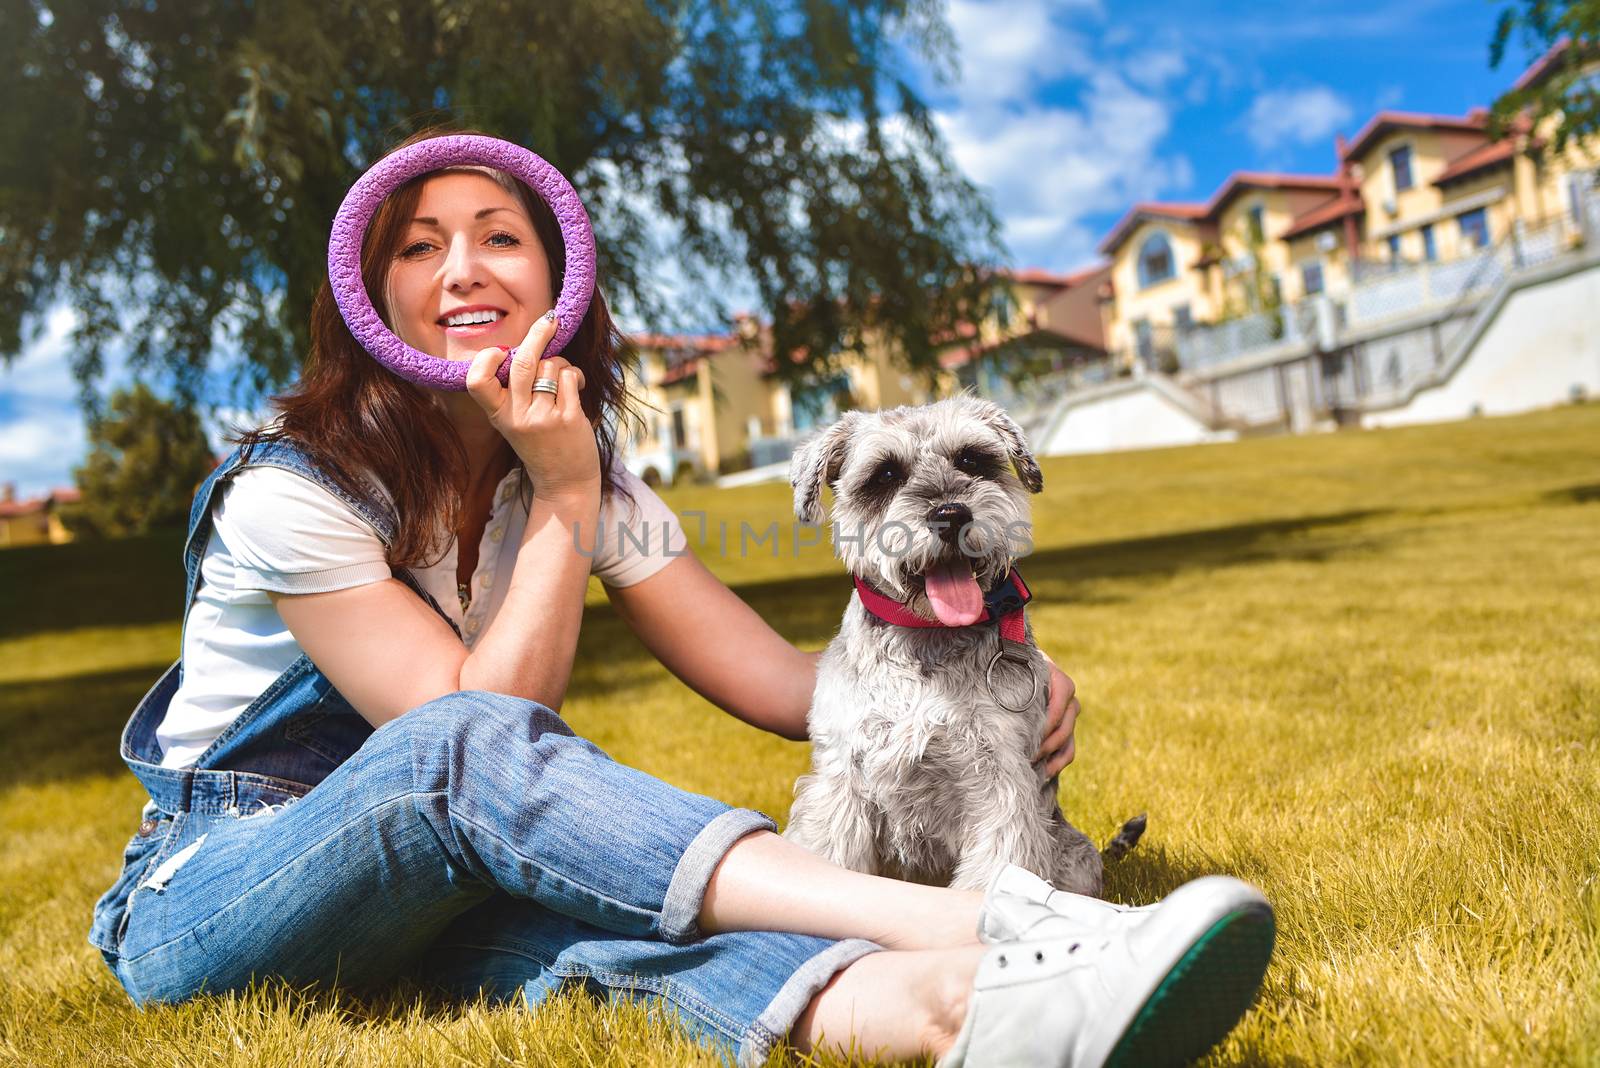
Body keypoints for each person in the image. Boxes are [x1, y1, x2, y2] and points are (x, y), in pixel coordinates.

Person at [89, 125, 1274, 1068]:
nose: (461, 269)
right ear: (370, 295)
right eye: (417, 246)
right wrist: (563, 494)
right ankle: (987, 926)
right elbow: (471, 730)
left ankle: (966, 1010)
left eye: (499, 236)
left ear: (558, 275)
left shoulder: (586, 471)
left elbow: (789, 689)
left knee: (630, 936)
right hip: (217, 896)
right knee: (463, 747)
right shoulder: (291, 493)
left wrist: (980, 664)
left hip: (416, 902)